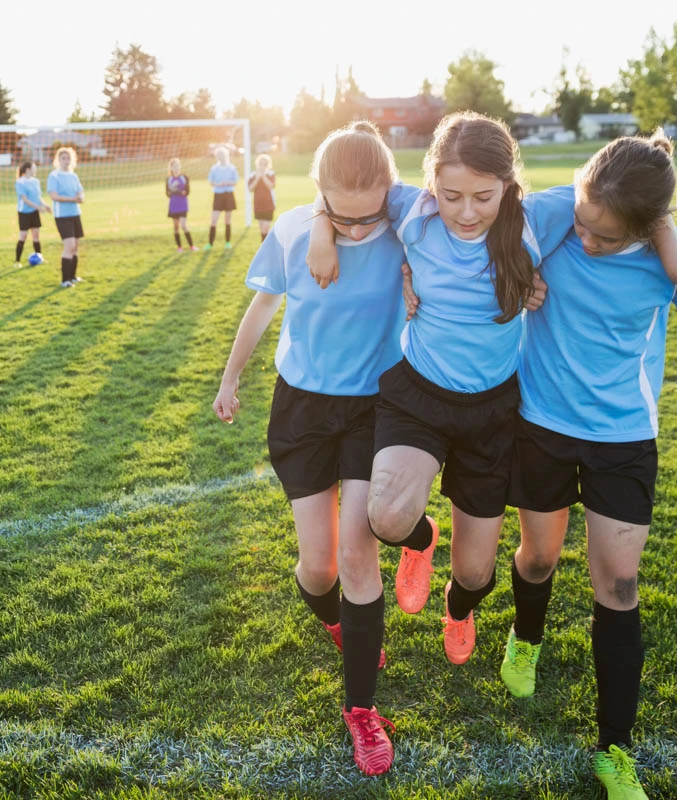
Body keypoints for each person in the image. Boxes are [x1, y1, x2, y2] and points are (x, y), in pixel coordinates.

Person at [307, 112, 677, 669]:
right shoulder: (412, 211)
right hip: (419, 393)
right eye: (450, 195)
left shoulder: (538, 217)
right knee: (387, 518)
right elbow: (346, 197)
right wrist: (318, 231)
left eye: (483, 196)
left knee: (475, 574)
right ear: (430, 183)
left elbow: (618, 188)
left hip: (496, 410)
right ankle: (421, 541)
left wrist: (674, 254)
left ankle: (460, 606)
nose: (466, 212)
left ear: (508, 185)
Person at [501, 130, 677, 800]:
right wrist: (523, 274)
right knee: (538, 557)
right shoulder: (558, 214)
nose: (585, 239)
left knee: (620, 584)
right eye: (582, 222)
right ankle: (525, 637)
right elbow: (486, 234)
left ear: (645, 228)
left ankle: (614, 752)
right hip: (539, 421)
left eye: (602, 235)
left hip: (623, 437)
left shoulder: (673, 258)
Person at [212, 121, 424, 777]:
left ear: (389, 194)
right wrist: (229, 376)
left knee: (360, 558)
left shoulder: (408, 219)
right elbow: (261, 307)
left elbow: (454, 191)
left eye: (370, 218)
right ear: (318, 196)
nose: (360, 231)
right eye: (342, 217)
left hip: (373, 405)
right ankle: (404, 550)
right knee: (320, 570)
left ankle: (361, 710)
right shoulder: (293, 227)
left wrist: (347, 225)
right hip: (301, 408)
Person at [47, 146, 85, 287]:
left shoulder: (74, 175)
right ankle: (65, 280)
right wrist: (73, 199)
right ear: (58, 160)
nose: (66, 160)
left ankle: (73, 277)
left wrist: (80, 197)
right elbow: (54, 196)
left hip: (75, 214)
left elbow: (81, 192)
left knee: (75, 247)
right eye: (63, 158)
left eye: (68, 158)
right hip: (62, 216)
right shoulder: (54, 176)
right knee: (69, 246)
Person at [14, 161, 51, 267]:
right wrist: (38, 207)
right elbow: (25, 199)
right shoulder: (20, 182)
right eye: (34, 168)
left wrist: (45, 205)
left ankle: (40, 258)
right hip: (24, 213)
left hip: (34, 212)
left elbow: (38, 197)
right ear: (28, 169)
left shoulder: (36, 181)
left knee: (36, 236)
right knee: (23, 236)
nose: (36, 170)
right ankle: (17, 261)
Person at [207, 146, 239, 250]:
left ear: (226, 156)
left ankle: (228, 242)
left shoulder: (232, 168)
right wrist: (218, 184)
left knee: (228, 219)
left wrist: (228, 182)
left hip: (229, 194)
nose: (221, 157)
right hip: (218, 195)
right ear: (217, 157)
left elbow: (235, 181)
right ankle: (210, 243)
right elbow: (211, 182)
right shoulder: (214, 168)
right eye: (219, 155)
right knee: (214, 220)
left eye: (223, 155)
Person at [166, 158, 198, 253]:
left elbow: (187, 192)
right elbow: (167, 193)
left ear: (180, 166)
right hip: (173, 205)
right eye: (174, 166)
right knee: (176, 227)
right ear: (171, 168)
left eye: (177, 165)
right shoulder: (169, 179)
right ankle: (179, 247)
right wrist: (172, 192)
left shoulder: (184, 177)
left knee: (183, 225)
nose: (176, 167)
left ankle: (192, 246)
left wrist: (180, 192)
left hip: (183, 204)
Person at [247, 154, 277, 241]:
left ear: (268, 165)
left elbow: (271, 186)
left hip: (268, 204)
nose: (262, 166)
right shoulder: (253, 175)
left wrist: (263, 176)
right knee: (262, 227)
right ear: (257, 164)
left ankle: (265, 247)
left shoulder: (271, 174)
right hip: (258, 204)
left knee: (265, 227)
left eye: (265, 164)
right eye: (261, 163)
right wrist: (257, 177)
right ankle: (267, 245)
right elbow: (250, 188)